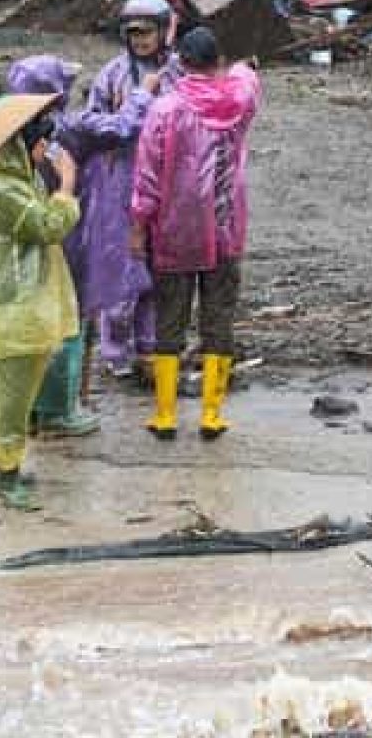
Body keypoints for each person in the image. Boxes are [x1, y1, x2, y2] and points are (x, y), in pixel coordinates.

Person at [5, 54, 159, 437]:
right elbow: (125, 127)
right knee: (72, 319)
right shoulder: (72, 129)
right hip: (73, 229)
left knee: (36, 319)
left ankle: (36, 405)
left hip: (24, 235)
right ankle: (63, 407)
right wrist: (143, 93)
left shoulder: (8, 134)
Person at [130, 26, 261, 440]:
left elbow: (147, 177)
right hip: (226, 226)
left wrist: (138, 226)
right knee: (218, 317)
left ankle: (166, 415)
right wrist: (238, 66)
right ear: (216, 61)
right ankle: (211, 414)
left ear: (181, 63)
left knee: (170, 317)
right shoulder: (240, 97)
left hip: (176, 228)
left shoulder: (165, 109)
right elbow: (247, 75)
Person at [0, 94, 81, 510]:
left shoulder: (14, 185)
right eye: (40, 144)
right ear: (22, 145)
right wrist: (67, 186)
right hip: (12, 315)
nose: (45, 153)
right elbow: (49, 226)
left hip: (10, 312)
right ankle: (6, 477)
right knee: (13, 401)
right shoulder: (5, 193)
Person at [83, 0, 181, 381]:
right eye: (132, 33)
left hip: (166, 182)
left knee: (157, 269)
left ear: (163, 31)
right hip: (121, 180)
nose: (140, 40)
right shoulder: (112, 74)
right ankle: (114, 350)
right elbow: (92, 120)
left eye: (147, 32)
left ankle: (149, 345)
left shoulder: (179, 73)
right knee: (123, 268)